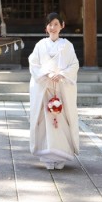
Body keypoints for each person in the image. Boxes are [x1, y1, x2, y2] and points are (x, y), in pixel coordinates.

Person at [28, 12, 79, 170]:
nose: (53, 27)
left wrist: (62, 74)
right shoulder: (40, 45)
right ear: (46, 27)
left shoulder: (67, 45)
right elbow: (33, 64)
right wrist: (47, 74)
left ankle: (61, 154)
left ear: (62, 26)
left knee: (61, 120)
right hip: (45, 89)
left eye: (56, 24)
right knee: (45, 121)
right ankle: (47, 156)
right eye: (50, 24)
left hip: (60, 89)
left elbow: (74, 65)